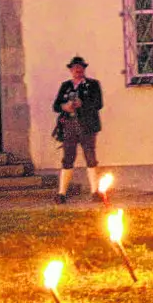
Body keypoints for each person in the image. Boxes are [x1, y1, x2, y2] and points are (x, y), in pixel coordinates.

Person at [52, 56, 104, 204]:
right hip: (69, 125)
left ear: (84, 69)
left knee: (90, 156)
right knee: (68, 157)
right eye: (75, 68)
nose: (78, 70)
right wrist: (65, 106)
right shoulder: (65, 86)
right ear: (71, 70)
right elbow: (56, 106)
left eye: (80, 67)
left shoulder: (93, 84)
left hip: (87, 125)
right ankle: (61, 193)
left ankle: (95, 191)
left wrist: (83, 104)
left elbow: (98, 103)